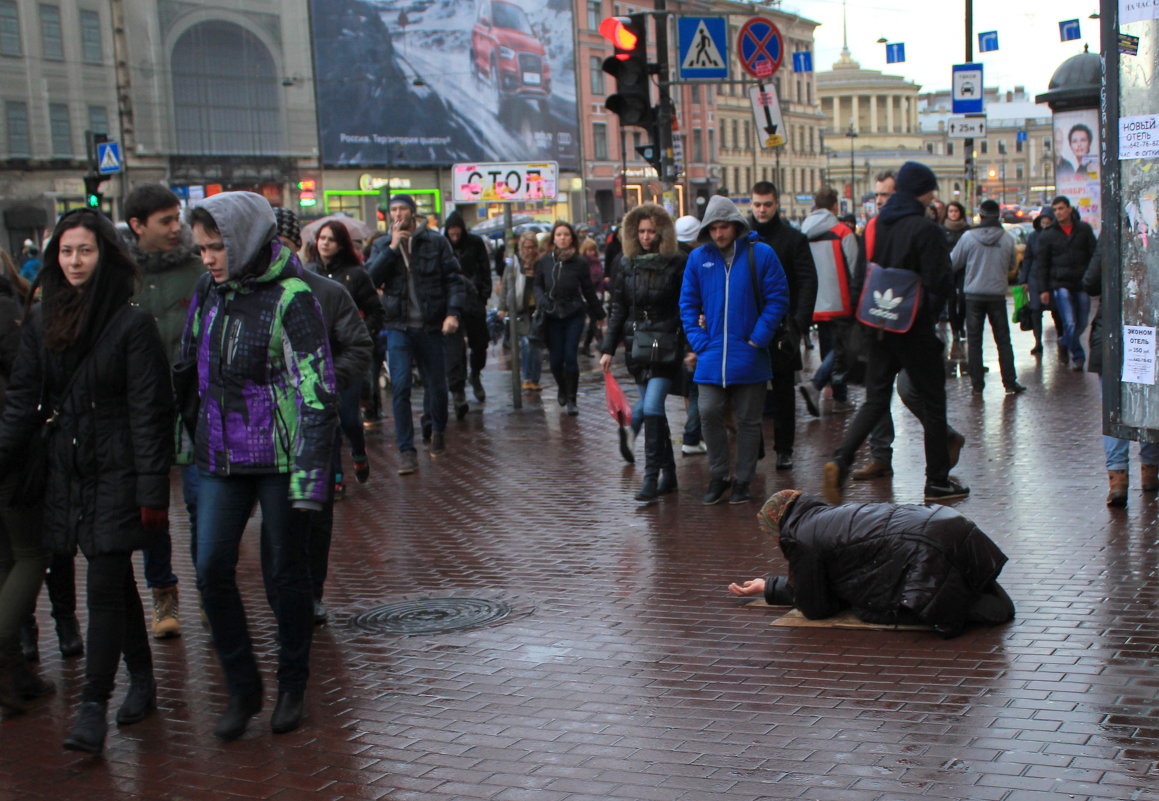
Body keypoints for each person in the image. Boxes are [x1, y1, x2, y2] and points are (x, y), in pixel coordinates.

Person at [0, 208, 173, 753]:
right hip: (65, 473)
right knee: (113, 579)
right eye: (67, 251)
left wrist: (151, 487)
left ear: (106, 255)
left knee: (102, 581)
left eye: (86, 250)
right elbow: (22, 404)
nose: (75, 261)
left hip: (118, 471)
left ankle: (93, 705)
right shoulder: (43, 320)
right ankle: (142, 679)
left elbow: (151, 411)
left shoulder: (132, 323)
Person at [183, 192, 336, 741]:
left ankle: (292, 682)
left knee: (285, 574)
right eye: (200, 248)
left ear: (244, 239)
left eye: (216, 247)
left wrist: (311, 479)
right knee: (209, 569)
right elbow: (189, 367)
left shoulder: (293, 296)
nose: (207, 259)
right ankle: (243, 687)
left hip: (281, 457)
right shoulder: (209, 291)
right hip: (221, 455)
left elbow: (318, 391)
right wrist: (186, 440)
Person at [823, 161, 966, 503]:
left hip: (878, 324)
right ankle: (937, 482)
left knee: (875, 399)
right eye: (931, 189)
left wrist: (863, 320)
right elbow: (940, 281)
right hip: (913, 329)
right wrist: (925, 314)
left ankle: (840, 461)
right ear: (922, 191)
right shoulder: (925, 228)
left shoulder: (875, 227)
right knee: (933, 403)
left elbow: (863, 276)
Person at [728, 490, 1015, 639]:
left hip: (926, 550)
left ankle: (964, 605)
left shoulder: (800, 538)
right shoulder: (828, 517)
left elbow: (816, 607)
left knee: (871, 610)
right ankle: (975, 595)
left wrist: (774, 588)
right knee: (968, 585)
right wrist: (771, 586)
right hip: (948, 525)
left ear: (778, 527)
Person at [275, 209, 373, 623]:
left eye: (279, 244)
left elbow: (359, 346)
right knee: (275, 517)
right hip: (258, 429)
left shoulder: (326, 292)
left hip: (313, 423)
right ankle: (283, 590)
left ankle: (310, 591)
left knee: (312, 510)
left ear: (295, 244)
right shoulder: (233, 293)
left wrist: (324, 383)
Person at [123, 183, 207, 640]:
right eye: (166, 221)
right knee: (151, 510)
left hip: (194, 405)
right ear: (138, 226)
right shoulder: (122, 279)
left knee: (200, 504)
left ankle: (211, 594)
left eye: (178, 218)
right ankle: (164, 595)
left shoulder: (198, 272)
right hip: (141, 414)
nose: (177, 228)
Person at [679, 195, 789, 505]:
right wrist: (699, 341)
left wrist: (758, 338)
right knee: (708, 411)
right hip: (711, 353)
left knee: (749, 421)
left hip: (749, 353)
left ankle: (742, 480)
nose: (718, 234)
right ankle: (718, 475)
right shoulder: (699, 259)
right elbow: (688, 304)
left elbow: (778, 298)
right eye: (712, 228)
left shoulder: (761, 254)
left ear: (735, 225)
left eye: (723, 227)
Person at [365, 194, 463, 474]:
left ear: (413, 212)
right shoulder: (384, 245)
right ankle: (406, 449)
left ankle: (437, 430)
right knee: (400, 386)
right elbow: (370, 279)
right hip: (398, 326)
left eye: (402, 209)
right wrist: (393, 248)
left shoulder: (435, 242)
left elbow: (454, 279)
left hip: (431, 325)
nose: (398, 214)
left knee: (436, 385)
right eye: (393, 210)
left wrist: (452, 313)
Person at [599, 204, 687, 503]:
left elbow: (684, 306)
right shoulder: (626, 264)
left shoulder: (677, 263)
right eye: (642, 231)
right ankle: (670, 474)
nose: (647, 237)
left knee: (651, 408)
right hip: (637, 346)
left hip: (666, 346)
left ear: (662, 232)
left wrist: (686, 344)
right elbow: (618, 308)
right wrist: (608, 348)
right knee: (655, 412)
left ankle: (651, 478)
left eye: (652, 231)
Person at [0, 268, 55, 715]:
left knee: (7, 559)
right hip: (12, 457)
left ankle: (16, 672)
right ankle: (6, 660)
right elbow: (26, 386)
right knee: (30, 553)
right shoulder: (7, 314)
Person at [307, 220, 382, 495]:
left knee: (350, 418)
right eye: (321, 238)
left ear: (341, 245)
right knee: (331, 420)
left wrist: (362, 335)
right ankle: (336, 475)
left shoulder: (356, 276)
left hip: (347, 359)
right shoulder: (308, 274)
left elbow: (375, 311)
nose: (325, 243)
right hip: (319, 360)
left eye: (331, 239)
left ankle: (359, 451)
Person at [747, 181, 817, 471]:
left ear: (776, 204)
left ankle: (784, 449)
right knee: (750, 390)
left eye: (767, 204)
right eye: (757, 204)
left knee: (784, 391)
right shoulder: (742, 239)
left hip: (783, 327)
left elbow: (807, 281)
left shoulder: (793, 239)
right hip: (749, 326)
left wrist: (799, 324)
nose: (762, 210)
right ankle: (757, 447)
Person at [951, 199, 1025, 395]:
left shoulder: (968, 237)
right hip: (997, 295)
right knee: (1003, 339)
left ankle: (977, 385)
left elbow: (953, 262)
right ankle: (1010, 382)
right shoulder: (1007, 238)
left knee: (974, 341)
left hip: (973, 295)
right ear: (998, 216)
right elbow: (1011, 266)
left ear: (980, 216)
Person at [799, 187, 859, 417]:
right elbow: (855, 267)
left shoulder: (803, 231)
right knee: (843, 347)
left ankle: (839, 395)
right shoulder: (843, 231)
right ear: (835, 206)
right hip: (841, 299)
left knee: (829, 348)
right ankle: (817, 385)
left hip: (815, 301)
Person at [534, 221, 605, 415]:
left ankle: (572, 398)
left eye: (566, 234)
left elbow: (588, 290)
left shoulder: (580, 262)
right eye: (559, 235)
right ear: (553, 238)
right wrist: (541, 299)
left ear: (571, 238)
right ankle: (562, 387)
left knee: (570, 357)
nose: (562, 238)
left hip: (574, 313)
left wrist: (599, 314)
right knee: (556, 360)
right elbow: (538, 284)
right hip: (552, 314)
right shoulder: (545, 261)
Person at [1036, 195, 1097, 371]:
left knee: (1083, 322)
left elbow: (1094, 255)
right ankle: (1078, 355)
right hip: (1060, 283)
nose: (1058, 213)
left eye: (1061, 208)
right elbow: (1042, 264)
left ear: (1069, 209)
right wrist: (1044, 289)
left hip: (1081, 283)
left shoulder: (1083, 229)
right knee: (1069, 322)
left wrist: (1091, 278)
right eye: (1055, 210)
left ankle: (1064, 341)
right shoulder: (1048, 235)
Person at [443, 211, 492, 417]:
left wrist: (483, 294)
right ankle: (458, 391)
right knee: (454, 350)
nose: (454, 237)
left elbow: (485, 268)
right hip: (452, 303)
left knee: (479, 343)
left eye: (457, 233)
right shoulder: (442, 245)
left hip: (474, 300)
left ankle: (476, 374)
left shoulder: (475, 243)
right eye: (451, 234)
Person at [674, 215, 706, 457]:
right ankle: (693, 436)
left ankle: (695, 434)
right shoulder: (696, 260)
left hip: (677, 330)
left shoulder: (672, 258)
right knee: (697, 388)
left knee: (689, 388)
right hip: (693, 329)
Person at [498, 232, 543, 392]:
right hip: (521, 308)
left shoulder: (540, 262)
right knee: (525, 343)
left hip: (537, 309)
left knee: (536, 345)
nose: (530, 251)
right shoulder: (515, 262)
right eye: (526, 247)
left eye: (532, 247)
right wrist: (502, 307)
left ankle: (534, 379)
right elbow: (505, 284)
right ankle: (527, 378)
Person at [1018, 208, 1055, 356]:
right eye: (1043, 221)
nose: (1045, 224)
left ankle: (1062, 341)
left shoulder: (1056, 236)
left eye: (1048, 221)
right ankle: (1038, 342)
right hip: (1034, 277)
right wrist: (1024, 280)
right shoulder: (1033, 237)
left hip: (1052, 277)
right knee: (1035, 310)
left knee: (1057, 311)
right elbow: (1027, 259)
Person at [942, 200, 971, 342]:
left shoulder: (967, 230)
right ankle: (955, 329)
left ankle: (961, 324)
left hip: (964, 269)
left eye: (956, 211)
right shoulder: (942, 229)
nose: (953, 214)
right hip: (948, 269)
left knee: (963, 298)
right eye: (951, 211)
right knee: (951, 300)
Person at [579, 236, 605, 358]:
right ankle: (601, 342)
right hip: (587, 296)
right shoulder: (583, 263)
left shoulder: (597, 262)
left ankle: (586, 345)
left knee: (594, 321)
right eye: (589, 250)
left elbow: (600, 277)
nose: (592, 252)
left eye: (593, 250)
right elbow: (585, 280)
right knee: (594, 320)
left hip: (598, 294)